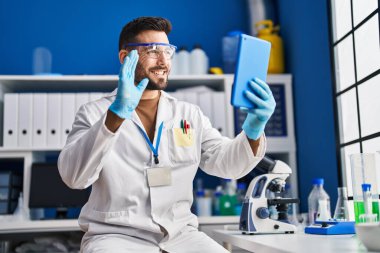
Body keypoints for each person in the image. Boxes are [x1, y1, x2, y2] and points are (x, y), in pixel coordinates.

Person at [58, 16, 276, 253]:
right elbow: (74, 177)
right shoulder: (94, 113)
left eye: (168, 51)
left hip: (181, 235)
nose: (164, 61)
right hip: (116, 236)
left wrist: (253, 129)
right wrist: (115, 117)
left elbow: (226, 165)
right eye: (152, 51)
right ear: (125, 58)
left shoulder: (188, 114)